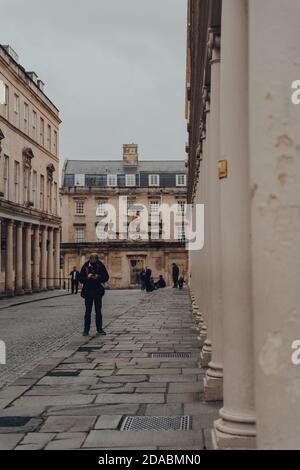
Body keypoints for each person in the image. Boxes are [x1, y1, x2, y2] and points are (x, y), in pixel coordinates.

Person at [79, 253, 109, 336]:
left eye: (95, 259)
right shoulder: (85, 266)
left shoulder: (100, 265)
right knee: (87, 311)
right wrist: (87, 277)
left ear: (97, 259)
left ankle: (99, 329)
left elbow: (106, 277)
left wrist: (98, 277)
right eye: (92, 259)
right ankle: (86, 330)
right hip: (88, 292)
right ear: (90, 259)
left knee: (98, 311)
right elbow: (81, 279)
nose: (93, 261)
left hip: (98, 292)